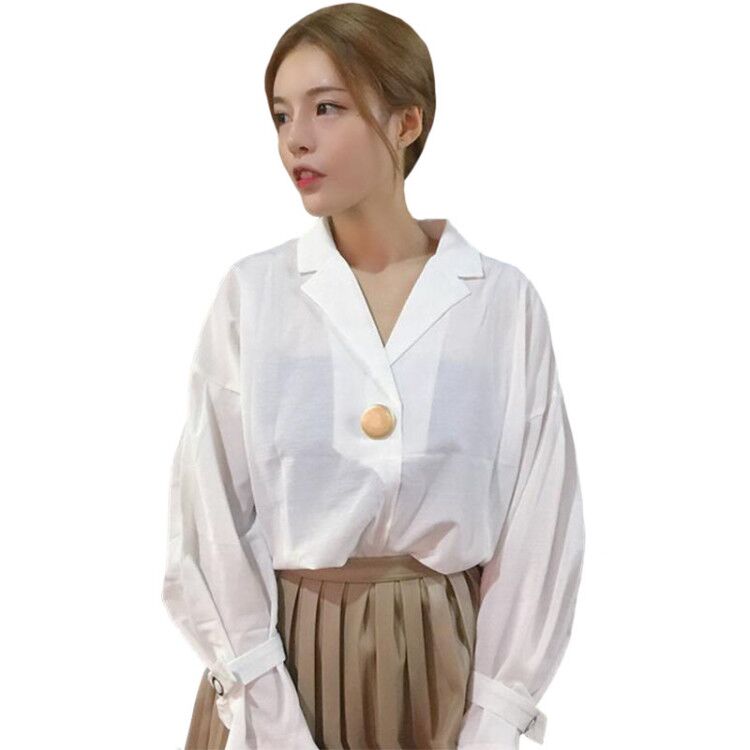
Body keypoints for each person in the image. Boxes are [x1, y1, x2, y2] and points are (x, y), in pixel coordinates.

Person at [161, 4, 586, 749]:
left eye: (327, 108)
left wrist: (494, 717)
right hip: (277, 664)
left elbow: (541, 523)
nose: (295, 138)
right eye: (282, 114)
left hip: (447, 674)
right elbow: (209, 516)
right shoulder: (254, 296)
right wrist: (268, 711)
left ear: (406, 122)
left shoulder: (501, 303)